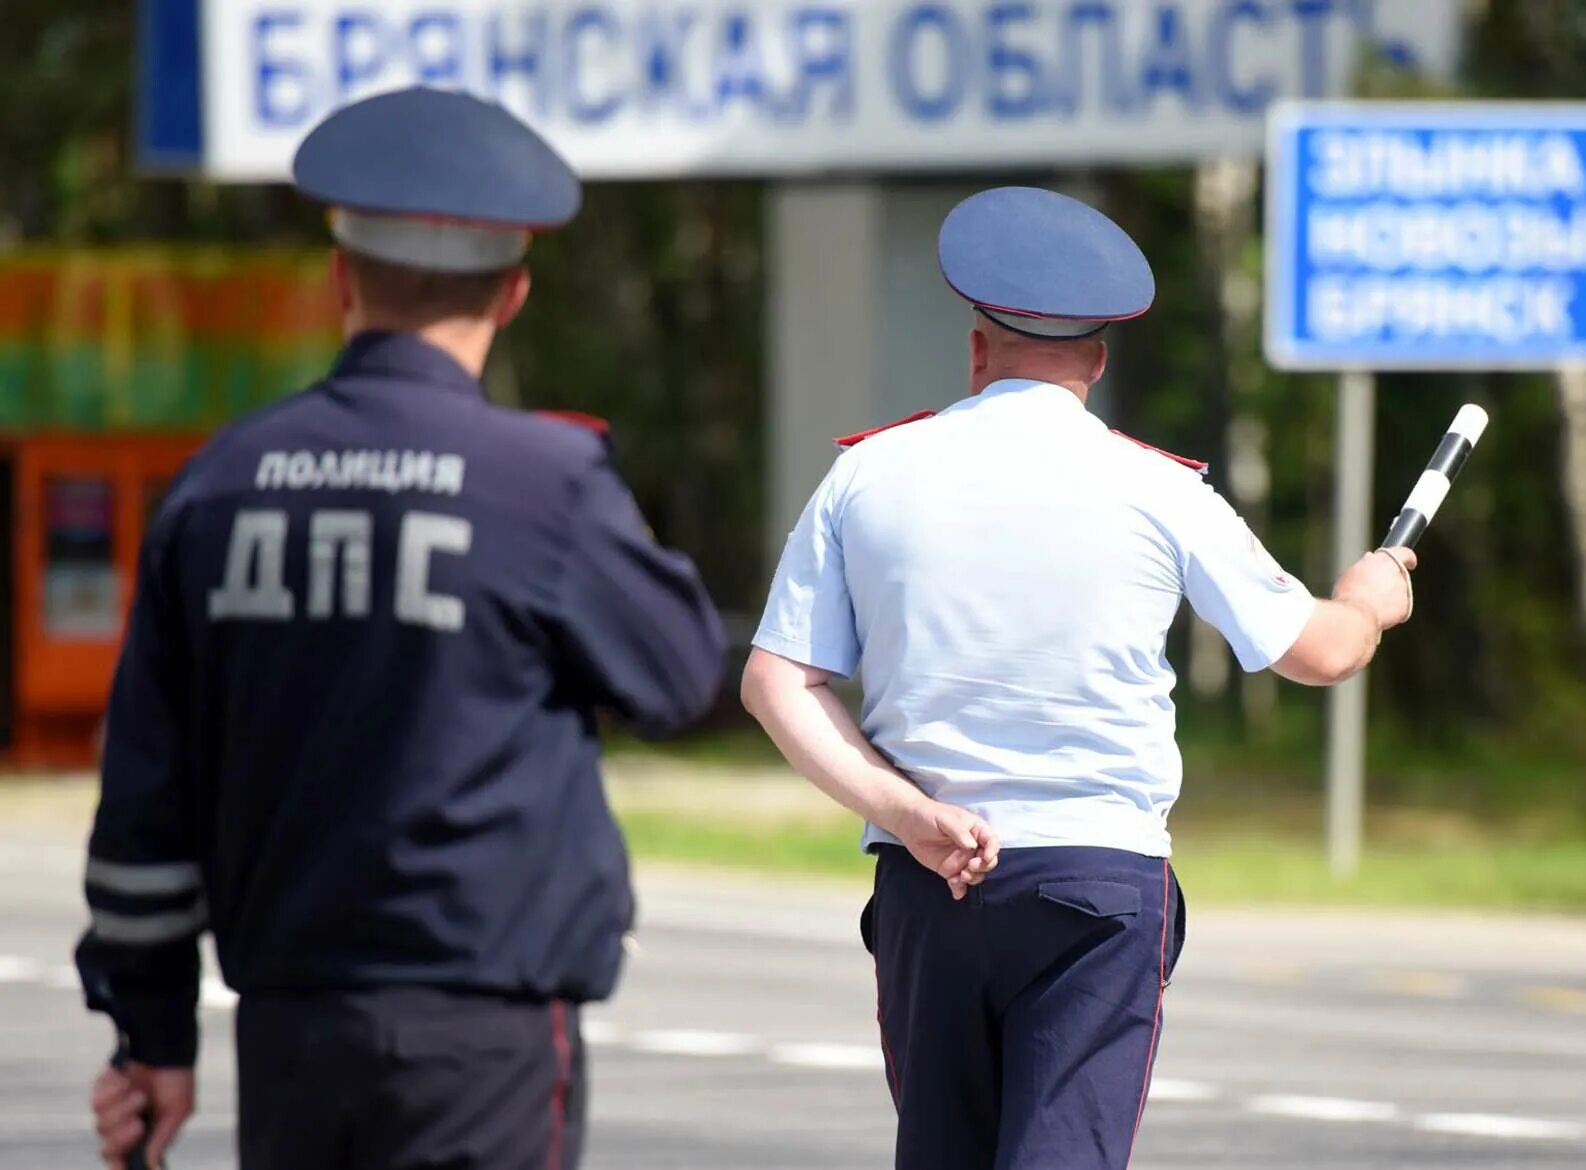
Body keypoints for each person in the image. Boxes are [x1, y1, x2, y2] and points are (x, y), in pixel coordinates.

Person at [79, 87, 728, 1170]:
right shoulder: (545, 486)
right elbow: (678, 674)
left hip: (290, 1033)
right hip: (486, 1036)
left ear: (342, 276)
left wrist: (150, 1036)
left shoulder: (218, 486)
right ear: (514, 292)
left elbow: (144, 803)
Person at [740, 186, 1416, 1170]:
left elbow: (776, 682)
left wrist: (909, 812)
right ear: (1098, 360)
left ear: (976, 351)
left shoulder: (866, 476)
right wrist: (1368, 597)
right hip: (1097, 885)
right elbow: (1318, 653)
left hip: (929, 880)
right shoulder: (1158, 488)